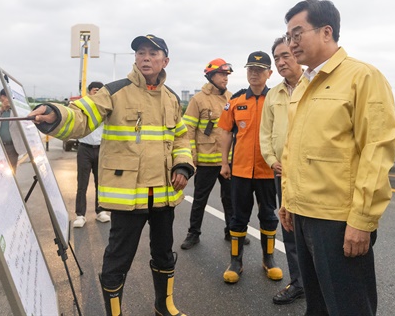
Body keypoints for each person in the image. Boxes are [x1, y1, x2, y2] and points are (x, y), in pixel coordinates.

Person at [30, 34, 195, 316]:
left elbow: (181, 138)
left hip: (164, 196)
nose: (145, 57)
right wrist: (57, 115)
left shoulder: (170, 98)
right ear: (135, 59)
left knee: (165, 254)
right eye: (141, 53)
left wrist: (182, 166)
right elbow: (82, 115)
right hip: (128, 196)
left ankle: (163, 305)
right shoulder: (115, 91)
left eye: (153, 54)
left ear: (165, 61)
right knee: (117, 260)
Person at [279, 0, 395, 315]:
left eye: (297, 33)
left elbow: (377, 150)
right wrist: (288, 199)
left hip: (339, 219)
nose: (291, 43)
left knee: (348, 306)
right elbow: (294, 148)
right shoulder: (304, 84)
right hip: (303, 214)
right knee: (316, 306)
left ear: (326, 31)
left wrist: (362, 220)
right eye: (288, 36)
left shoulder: (362, 77)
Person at [218, 50, 282, 284]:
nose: (254, 74)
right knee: (238, 216)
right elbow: (225, 132)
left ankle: (269, 259)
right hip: (241, 170)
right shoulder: (235, 100)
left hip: (268, 170)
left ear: (269, 73)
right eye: (250, 69)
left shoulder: (276, 99)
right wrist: (224, 162)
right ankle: (236, 261)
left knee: (268, 215)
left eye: (259, 70)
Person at [259, 37, 305, 305]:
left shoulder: (314, 86)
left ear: (298, 54)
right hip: (281, 173)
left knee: (314, 231)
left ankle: (320, 283)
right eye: (276, 58)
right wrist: (270, 159)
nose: (280, 62)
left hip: (309, 172)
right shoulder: (273, 94)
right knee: (288, 228)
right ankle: (299, 282)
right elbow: (266, 133)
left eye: (285, 55)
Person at [180, 58, 242, 249]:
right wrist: (191, 155)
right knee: (200, 199)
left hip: (227, 161)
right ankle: (193, 233)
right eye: (222, 74)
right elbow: (188, 128)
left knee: (230, 199)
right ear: (211, 76)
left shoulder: (231, 98)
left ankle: (231, 232)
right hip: (205, 161)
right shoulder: (198, 100)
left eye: (227, 75)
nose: (226, 78)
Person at [73, 81, 110, 228]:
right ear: (89, 92)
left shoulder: (106, 108)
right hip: (85, 149)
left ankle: (101, 211)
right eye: (95, 90)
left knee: (100, 183)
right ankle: (80, 215)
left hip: (101, 148)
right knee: (82, 183)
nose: (98, 93)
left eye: (100, 91)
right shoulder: (82, 105)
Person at [0, 88, 27, 172]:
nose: (3, 100)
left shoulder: (17, 112)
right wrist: (2, 109)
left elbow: (24, 120)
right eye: (2, 98)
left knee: (11, 170)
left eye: (5, 97)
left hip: (12, 147)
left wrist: (13, 107)